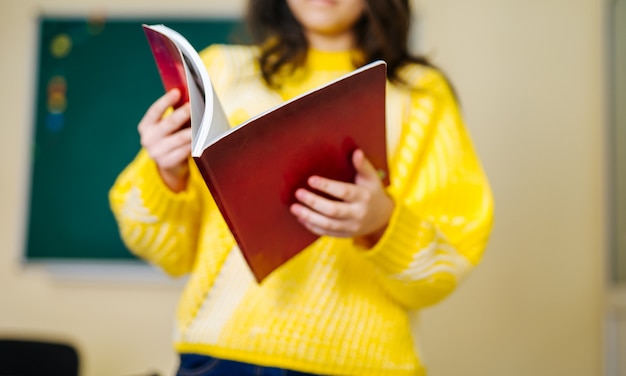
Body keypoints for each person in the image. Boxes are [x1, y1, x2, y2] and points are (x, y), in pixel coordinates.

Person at [109, 0, 494, 375]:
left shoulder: (421, 95)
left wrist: (382, 222)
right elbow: (164, 251)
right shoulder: (221, 72)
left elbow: (447, 264)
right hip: (216, 359)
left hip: (362, 366)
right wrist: (167, 173)